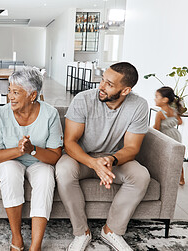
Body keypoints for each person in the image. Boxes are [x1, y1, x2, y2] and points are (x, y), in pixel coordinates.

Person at [56, 62, 150, 251]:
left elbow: (132, 148)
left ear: (125, 90)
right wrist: (93, 163)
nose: (101, 86)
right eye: (102, 80)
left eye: (109, 84)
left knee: (141, 176)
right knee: (63, 171)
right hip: (80, 157)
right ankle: (82, 232)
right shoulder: (83, 99)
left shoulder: (139, 105)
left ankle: (111, 231)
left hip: (112, 159)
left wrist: (111, 160)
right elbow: (70, 142)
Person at [0, 68, 63, 251]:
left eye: (16, 92)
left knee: (45, 178)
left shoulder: (50, 114)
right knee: (11, 173)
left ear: (32, 95)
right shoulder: (1, 114)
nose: (9, 97)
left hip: (38, 162)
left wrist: (32, 150)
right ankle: (17, 237)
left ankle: (36, 246)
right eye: (9, 91)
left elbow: (54, 156)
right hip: (8, 160)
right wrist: (19, 151)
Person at [153, 86, 184, 185]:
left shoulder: (160, 113)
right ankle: (182, 179)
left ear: (165, 100)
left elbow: (157, 129)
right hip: (175, 135)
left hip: (165, 136)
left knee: (163, 156)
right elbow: (179, 122)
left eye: (157, 97)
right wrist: (170, 124)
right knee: (177, 156)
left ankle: (163, 177)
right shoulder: (174, 110)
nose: (154, 98)